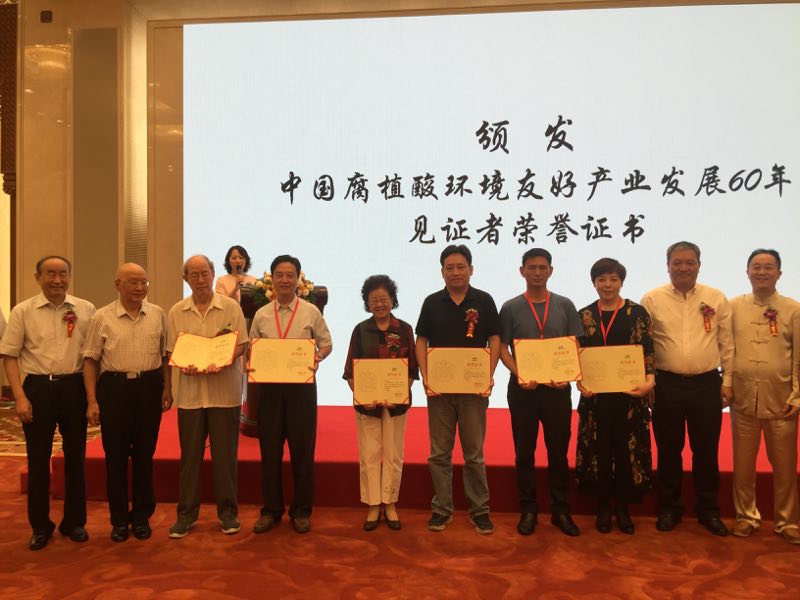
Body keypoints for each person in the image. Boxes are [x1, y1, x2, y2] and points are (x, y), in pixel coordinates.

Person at [0, 256, 96, 550]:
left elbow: (93, 355)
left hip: (75, 387)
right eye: (50, 274)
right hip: (38, 388)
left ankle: (74, 522)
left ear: (70, 276)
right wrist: (19, 396)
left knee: (76, 458)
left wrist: (92, 397)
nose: (57, 280)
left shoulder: (85, 309)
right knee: (38, 459)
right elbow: (10, 356)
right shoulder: (23, 311)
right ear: (38, 277)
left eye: (63, 274)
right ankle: (40, 526)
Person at [641, 241, 733, 536]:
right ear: (667, 266)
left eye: (690, 262)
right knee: (669, 449)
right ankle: (670, 508)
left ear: (699, 265)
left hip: (707, 384)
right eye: (677, 262)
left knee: (706, 450)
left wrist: (728, 381)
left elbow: (727, 344)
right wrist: (648, 380)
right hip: (666, 385)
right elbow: (644, 346)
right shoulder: (652, 299)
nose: (683, 268)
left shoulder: (715, 297)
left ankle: (708, 509)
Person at [82, 263, 171, 542]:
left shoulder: (157, 314)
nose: (139, 288)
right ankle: (119, 520)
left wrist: (167, 388)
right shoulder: (102, 317)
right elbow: (90, 360)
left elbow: (165, 356)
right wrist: (92, 400)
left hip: (149, 387)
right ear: (117, 284)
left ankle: (142, 517)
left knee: (145, 457)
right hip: (114, 389)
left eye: (144, 282)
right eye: (133, 282)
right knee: (116, 459)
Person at [415, 244, 500, 535]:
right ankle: (442, 508)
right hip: (439, 392)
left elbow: (495, 339)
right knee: (439, 453)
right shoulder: (431, 302)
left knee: (474, 454)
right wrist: (426, 376)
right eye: (449, 268)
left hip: (473, 391)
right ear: (442, 272)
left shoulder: (484, 300)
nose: (455, 272)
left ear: (471, 269)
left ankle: (480, 510)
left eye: (461, 267)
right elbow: (421, 340)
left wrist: (488, 375)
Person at [498, 248, 583, 537]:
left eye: (542, 267)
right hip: (523, 389)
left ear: (551, 271)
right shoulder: (510, 307)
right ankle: (529, 509)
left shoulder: (565, 304)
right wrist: (518, 372)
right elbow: (502, 348)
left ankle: (561, 510)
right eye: (531, 268)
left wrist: (567, 374)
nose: (537, 272)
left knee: (558, 452)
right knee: (524, 451)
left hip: (557, 390)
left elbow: (574, 345)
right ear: (522, 271)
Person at [165, 255, 248, 538]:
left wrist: (225, 358)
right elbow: (172, 350)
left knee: (225, 459)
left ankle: (228, 514)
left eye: (204, 273)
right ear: (185, 278)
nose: (200, 280)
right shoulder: (177, 311)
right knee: (190, 459)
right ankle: (186, 515)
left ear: (213, 274)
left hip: (225, 394)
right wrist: (182, 362)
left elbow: (241, 345)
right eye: (194, 275)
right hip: (190, 396)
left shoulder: (231, 307)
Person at [249, 254, 332, 534]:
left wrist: (317, 357)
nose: (285, 280)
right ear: (272, 279)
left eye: (290, 275)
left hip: (301, 390)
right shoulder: (261, 314)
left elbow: (326, 343)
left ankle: (301, 511)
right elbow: (253, 347)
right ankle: (271, 510)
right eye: (279, 275)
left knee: (302, 452)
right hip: (269, 391)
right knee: (269, 451)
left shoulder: (311, 312)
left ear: (298, 279)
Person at [575, 258, 655, 534]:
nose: (607, 285)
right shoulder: (584, 315)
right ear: (594, 283)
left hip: (629, 397)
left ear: (621, 282)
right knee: (599, 451)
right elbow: (576, 357)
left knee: (626, 451)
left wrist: (649, 383)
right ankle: (603, 507)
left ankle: (623, 507)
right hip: (595, 399)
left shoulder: (637, 313)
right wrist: (580, 382)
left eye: (613, 279)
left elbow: (648, 352)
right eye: (602, 280)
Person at [729, 249, 800, 544]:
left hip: (782, 400)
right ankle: (746, 516)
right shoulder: (733, 307)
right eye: (756, 267)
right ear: (747, 272)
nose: (761, 272)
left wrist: (797, 395)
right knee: (743, 465)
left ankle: (787, 521)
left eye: (768, 267)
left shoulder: (793, 309)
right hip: (743, 398)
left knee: (784, 466)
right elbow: (727, 350)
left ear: (779, 273)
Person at [342, 275, 418, 531]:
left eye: (384, 299)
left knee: (394, 455)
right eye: (373, 300)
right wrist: (363, 394)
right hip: (369, 406)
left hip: (396, 405)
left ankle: (390, 502)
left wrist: (398, 392)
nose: (379, 304)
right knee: (370, 455)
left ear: (393, 300)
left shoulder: (404, 329)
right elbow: (351, 371)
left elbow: (412, 370)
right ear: (367, 303)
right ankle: (373, 504)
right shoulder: (360, 330)